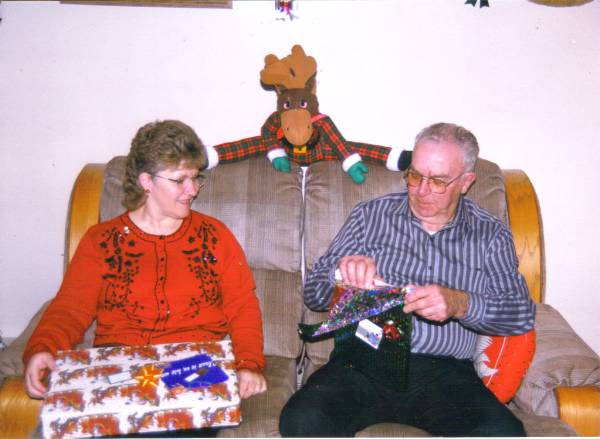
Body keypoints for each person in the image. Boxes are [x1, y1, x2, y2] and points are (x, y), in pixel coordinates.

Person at [279, 122, 535, 437]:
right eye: (414, 175)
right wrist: (340, 275)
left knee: (502, 432)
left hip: (444, 374)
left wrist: (460, 304)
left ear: (466, 182)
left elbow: (521, 315)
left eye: (439, 181)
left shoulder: (491, 234)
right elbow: (314, 295)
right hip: (361, 365)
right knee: (303, 418)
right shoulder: (370, 216)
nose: (422, 189)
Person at [24, 120, 267, 414]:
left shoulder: (215, 236)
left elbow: (243, 306)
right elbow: (70, 308)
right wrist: (42, 348)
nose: (192, 190)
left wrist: (249, 364)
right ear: (146, 181)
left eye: (195, 178)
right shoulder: (101, 240)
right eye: (179, 180)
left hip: (194, 366)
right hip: (119, 363)